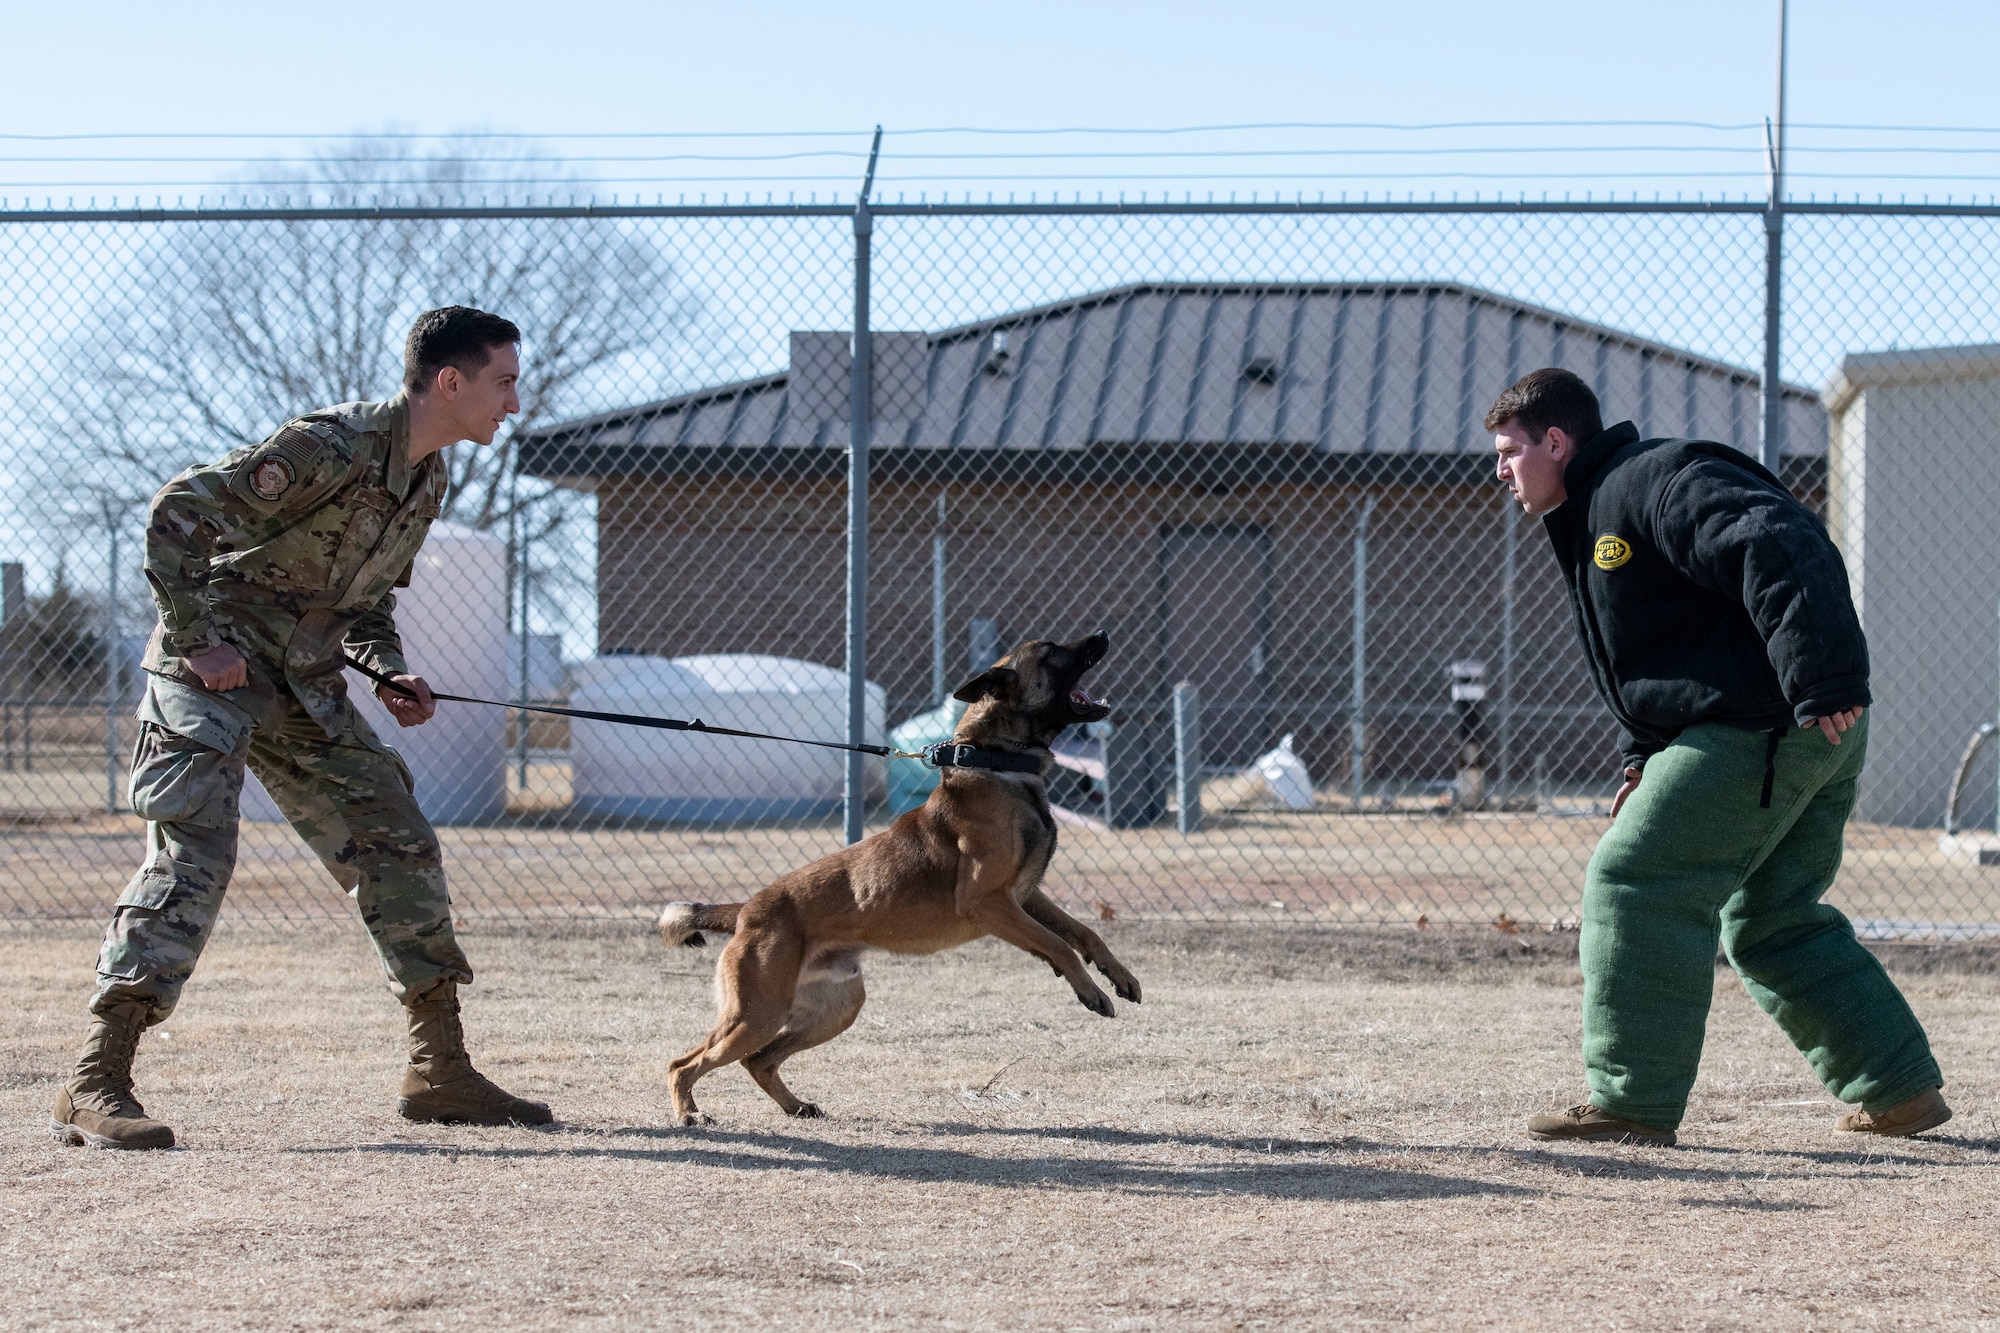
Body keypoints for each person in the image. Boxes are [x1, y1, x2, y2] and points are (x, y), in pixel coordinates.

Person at [52, 306, 552, 1150]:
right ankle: (94, 1079)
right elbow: (178, 509)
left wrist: (386, 667)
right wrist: (198, 637)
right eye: (504, 382)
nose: (513, 402)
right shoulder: (334, 446)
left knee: (394, 833)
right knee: (195, 851)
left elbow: (364, 605)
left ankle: (440, 1070)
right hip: (211, 664)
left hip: (301, 679)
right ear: (451, 381)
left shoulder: (426, 479)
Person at [1490, 367, 1948, 1146]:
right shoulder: (1593, 516)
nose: (1500, 470)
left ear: (1556, 441)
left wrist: (1823, 675)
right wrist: (1643, 756)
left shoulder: (1651, 481)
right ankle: (1898, 1088)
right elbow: (1665, 655)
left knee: (1634, 876)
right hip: (1804, 726)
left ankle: (1630, 1101)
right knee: (1771, 917)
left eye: (1509, 452)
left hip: (1774, 723)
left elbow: (1777, 538)